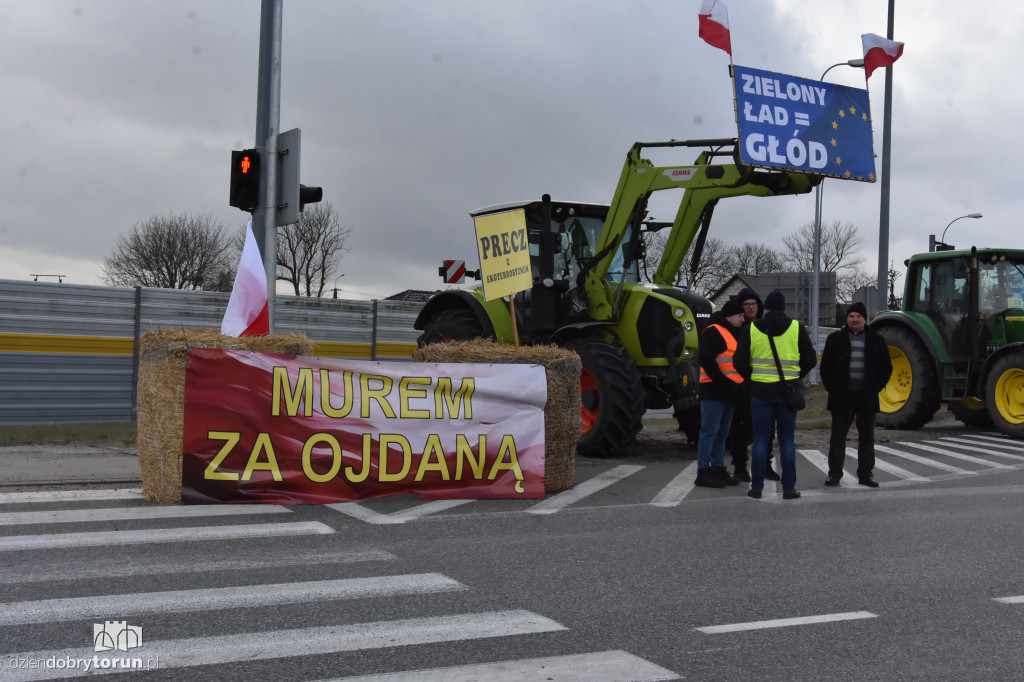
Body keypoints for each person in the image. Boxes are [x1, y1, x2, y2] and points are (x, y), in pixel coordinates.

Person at [734, 290, 817, 500]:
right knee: (787, 441)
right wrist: (795, 376)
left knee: (760, 440)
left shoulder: (751, 328)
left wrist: (752, 378)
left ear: (766, 308)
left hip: (760, 392)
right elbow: (810, 358)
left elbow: (739, 361)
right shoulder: (797, 328)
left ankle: (757, 488)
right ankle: (789, 489)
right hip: (787, 392)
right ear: (783, 307)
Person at [819, 301, 894, 487]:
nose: (854, 319)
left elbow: (886, 368)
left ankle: (866, 474)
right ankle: (834, 474)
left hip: (866, 396)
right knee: (838, 437)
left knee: (867, 437)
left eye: (858, 316)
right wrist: (832, 387)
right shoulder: (835, 339)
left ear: (864, 319)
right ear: (847, 318)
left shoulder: (876, 340)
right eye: (851, 316)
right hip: (842, 397)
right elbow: (825, 368)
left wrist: (876, 387)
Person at [727, 288, 780, 483]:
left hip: (764, 384)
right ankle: (740, 467)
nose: (750, 307)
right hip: (741, 385)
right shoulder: (736, 328)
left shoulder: (766, 327)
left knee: (767, 429)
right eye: (746, 305)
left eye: (753, 304)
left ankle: (766, 465)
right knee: (740, 428)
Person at [694, 299, 745, 488]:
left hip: (728, 391)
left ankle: (716, 468)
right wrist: (725, 383)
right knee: (710, 432)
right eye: (739, 315)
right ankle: (703, 471)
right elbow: (706, 359)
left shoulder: (731, 333)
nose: (742, 319)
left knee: (722, 433)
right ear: (729, 316)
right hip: (714, 390)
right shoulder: (714, 331)